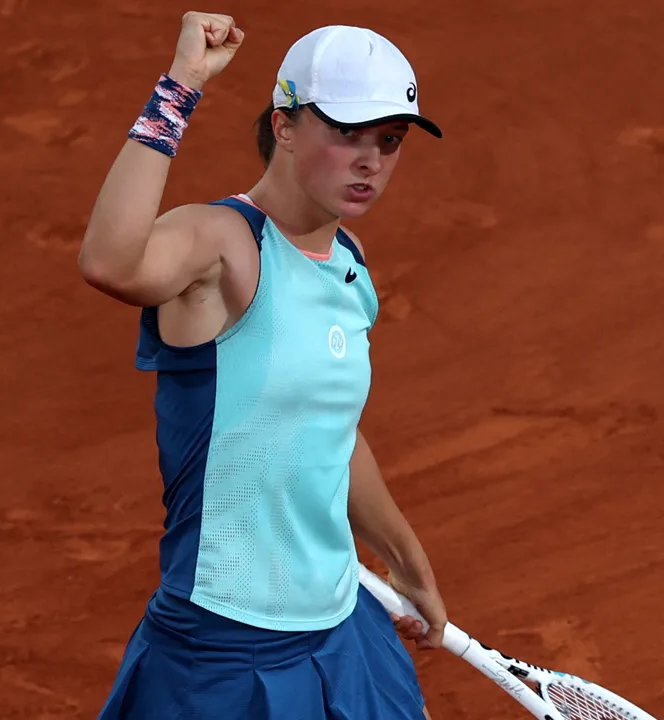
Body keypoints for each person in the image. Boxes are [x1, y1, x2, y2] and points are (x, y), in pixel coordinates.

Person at [79, 11, 448, 719]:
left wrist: (406, 558)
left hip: (341, 628)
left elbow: (327, 434)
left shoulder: (348, 265)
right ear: (283, 124)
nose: (371, 160)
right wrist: (181, 86)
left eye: (390, 140)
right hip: (222, 655)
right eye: (346, 133)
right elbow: (109, 261)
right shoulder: (224, 246)